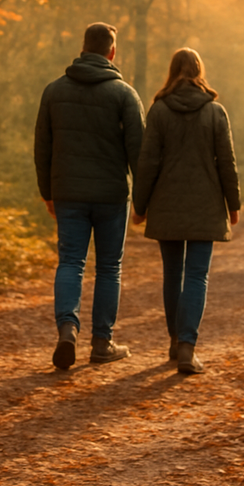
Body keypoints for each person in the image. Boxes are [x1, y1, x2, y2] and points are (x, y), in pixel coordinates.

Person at [34, 22, 145, 370]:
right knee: (109, 267)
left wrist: (47, 192)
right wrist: (142, 199)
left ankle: (68, 330)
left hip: (68, 193)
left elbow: (42, 147)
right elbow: (138, 151)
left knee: (71, 262)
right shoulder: (124, 94)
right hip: (112, 195)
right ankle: (102, 342)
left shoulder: (54, 91)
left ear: (83, 48)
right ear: (112, 52)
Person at [132, 48, 241, 375]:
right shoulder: (214, 112)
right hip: (205, 204)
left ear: (172, 71)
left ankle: (175, 339)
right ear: (199, 71)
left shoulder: (159, 110)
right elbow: (227, 162)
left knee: (172, 274)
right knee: (196, 275)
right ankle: (187, 348)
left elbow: (147, 162)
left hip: (166, 204)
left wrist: (140, 205)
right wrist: (233, 204)